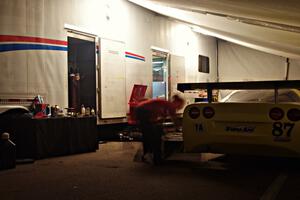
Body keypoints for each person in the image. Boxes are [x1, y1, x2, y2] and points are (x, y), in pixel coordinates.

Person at [135, 94, 185, 165]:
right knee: (154, 136)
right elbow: (174, 119)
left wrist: (161, 127)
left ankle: (149, 155)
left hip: (140, 109)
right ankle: (155, 157)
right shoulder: (171, 106)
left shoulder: (165, 104)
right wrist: (179, 128)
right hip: (143, 110)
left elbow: (161, 120)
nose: (180, 107)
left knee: (148, 134)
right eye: (180, 105)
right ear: (177, 102)